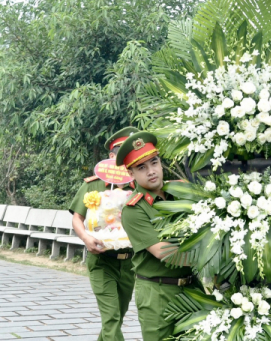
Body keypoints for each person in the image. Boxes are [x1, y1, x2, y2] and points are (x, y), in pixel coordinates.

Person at [116, 131, 196, 340]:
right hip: (158, 292)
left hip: (192, 287)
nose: (151, 171)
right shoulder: (133, 210)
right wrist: (211, 258)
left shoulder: (181, 193)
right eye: (141, 167)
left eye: (154, 162)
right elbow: (164, 252)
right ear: (131, 174)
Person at [68, 127, 138, 341]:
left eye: (130, 156)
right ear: (111, 157)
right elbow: (77, 218)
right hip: (101, 260)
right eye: (122, 155)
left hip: (129, 263)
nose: (126, 160)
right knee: (111, 317)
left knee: (118, 316)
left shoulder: (138, 185)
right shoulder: (94, 184)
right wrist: (86, 238)